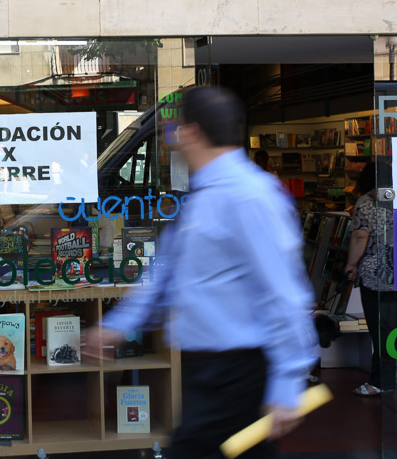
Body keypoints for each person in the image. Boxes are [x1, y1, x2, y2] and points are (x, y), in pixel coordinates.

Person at [87, 87, 318, 459]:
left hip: (238, 373)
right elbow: (165, 273)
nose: (171, 139)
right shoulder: (204, 195)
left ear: (191, 132)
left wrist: (288, 384)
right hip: (207, 374)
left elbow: (284, 292)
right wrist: (118, 323)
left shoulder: (249, 197)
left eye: (173, 129)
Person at [345, 161, 397, 396]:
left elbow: (360, 237)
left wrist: (351, 264)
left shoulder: (367, 201)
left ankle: (382, 382)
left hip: (377, 274)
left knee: (382, 328)